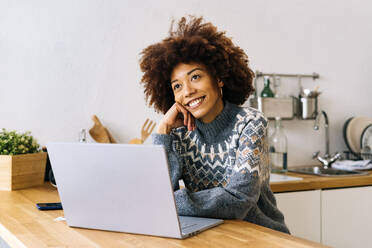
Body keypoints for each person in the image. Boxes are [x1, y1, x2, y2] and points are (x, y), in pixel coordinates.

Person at [139, 16, 290, 234]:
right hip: (212, 234)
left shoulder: (250, 123)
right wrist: (163, 130)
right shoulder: (178, 134)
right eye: (177, 86)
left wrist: (170, 200)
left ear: (218, 78)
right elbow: (153, 196)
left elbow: (239, 199)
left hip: (262, 235)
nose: (187, 91)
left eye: (196, 77)